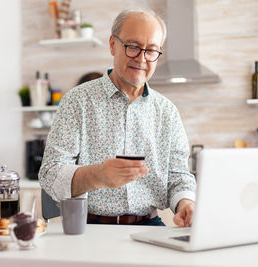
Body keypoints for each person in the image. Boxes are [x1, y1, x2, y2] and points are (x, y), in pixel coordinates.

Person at [39, 9, 196, 227]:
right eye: (132, 47)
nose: (141, 59)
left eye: (151, 50)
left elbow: (179, 176)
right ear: (113, 44)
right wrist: (98, 175)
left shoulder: (167, 112)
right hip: (88, 227)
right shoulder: (77, 101)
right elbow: (50, 174)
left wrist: (186, 203)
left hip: (149, 226)